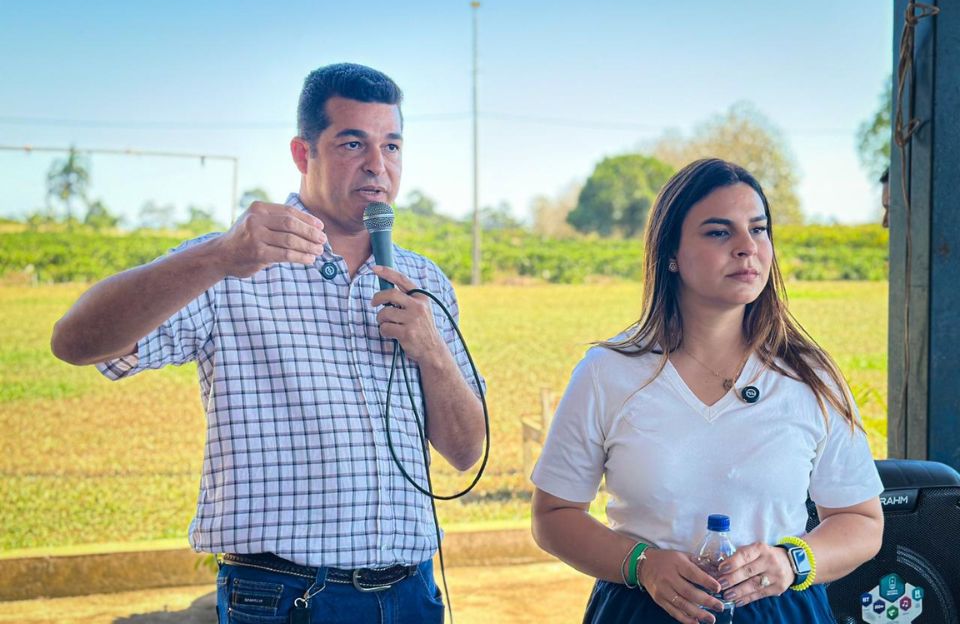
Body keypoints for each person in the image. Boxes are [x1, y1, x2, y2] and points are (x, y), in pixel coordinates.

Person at [50, 63, 486, 624]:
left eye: (392, 145)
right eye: (353, 142)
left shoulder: (424, 282)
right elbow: (76, 342)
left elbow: (466, 451)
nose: (378, 165)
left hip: (413, 593)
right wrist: (217, 258)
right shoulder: (234, 262)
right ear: (303, 154)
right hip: (285, 596)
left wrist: (432, 351)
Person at [530, 158, 884, 624]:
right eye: (719, 232)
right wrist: (641, 565)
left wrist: (791, 561)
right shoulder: (607, 372)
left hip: (782, 612)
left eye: (758, 230)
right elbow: (553, 515)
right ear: (671, 253)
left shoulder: (810, 376)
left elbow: (861, 522)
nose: (747, 248)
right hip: (643, 610)